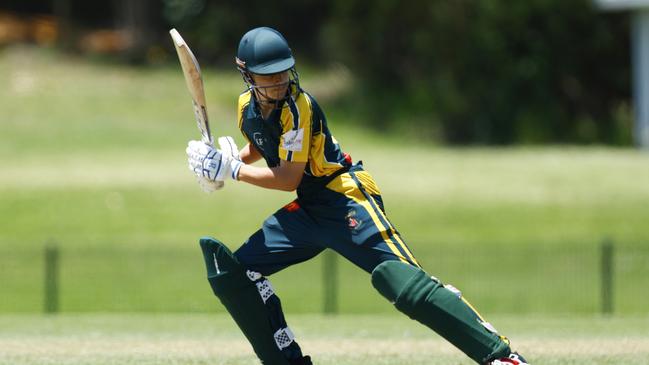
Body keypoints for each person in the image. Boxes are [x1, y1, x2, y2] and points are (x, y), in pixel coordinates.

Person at [186, 26, 529, 365]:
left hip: (345, 197)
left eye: (283, 73)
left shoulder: (299, 106)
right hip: (309, 208)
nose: (278, 82)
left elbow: (287, 177)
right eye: (268, 76)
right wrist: (229, 160)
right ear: (247, 75)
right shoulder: (246, 106)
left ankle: (501, 357)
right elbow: (263, 145)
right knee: (235, 274)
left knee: (403, 284)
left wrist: (231, 171)